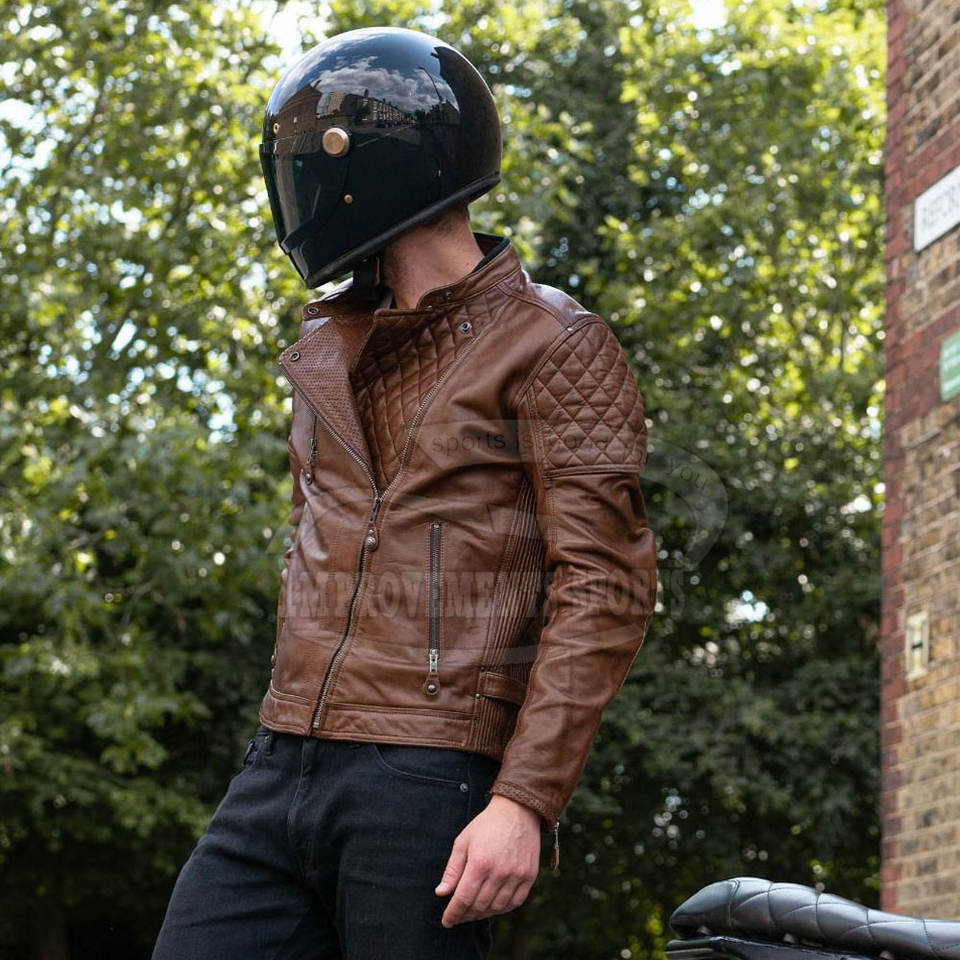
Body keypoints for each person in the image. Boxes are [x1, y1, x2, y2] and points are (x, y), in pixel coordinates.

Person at [151, 25, 658, 960]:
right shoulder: (327, 346)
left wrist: (524, 799)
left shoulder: (553, 343)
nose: (297, 188)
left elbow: (605, 587)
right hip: (279, 759)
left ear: (378, 166)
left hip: (426, 774)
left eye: (309, 161)